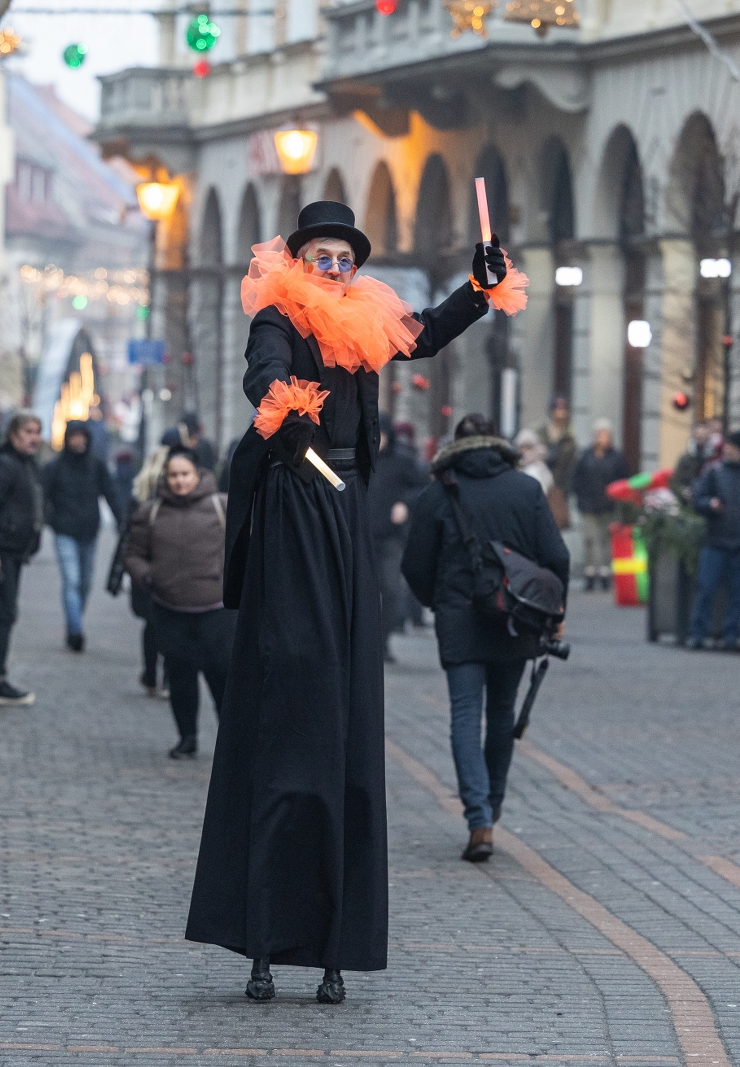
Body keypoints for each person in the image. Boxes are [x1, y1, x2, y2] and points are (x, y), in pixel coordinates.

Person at [187, 200, 520, 1004]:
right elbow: (263, 371)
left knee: (346, 686)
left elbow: (423, 334)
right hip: (297, 495)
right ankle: (270, 928)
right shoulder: (280, 315)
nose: (336, 271)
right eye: (323, 259)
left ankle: (331, 931)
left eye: (345, 259)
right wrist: (287, 408)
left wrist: (478, 290)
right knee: (298, 670)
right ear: (300, 262)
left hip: (346, 503)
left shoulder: (365, 316)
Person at [402, 415, 570, 862]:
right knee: (501, 713)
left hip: (459, 617)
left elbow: (414, 565)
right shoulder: (525, 489)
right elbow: (556, 556)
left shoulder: (438, 492)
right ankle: (492, 806)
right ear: (498, 444)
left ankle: (477, 819)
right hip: (515, 616)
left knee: (464, 713)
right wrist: (556, 613)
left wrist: (439, 601)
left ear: (455, 446)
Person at [123, 448, 235, 758]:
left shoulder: (223, 506)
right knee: (181, 679)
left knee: (223, 680)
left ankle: (231, 744)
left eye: (185, 474)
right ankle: (187, 738)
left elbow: (245, 546)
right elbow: (133, 554)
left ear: (198, 475)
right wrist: (148, 576)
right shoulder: (151, 512)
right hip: (170, 610)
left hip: (217, 612)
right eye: (173, 475)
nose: (179, 481)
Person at [0, 413, 44, 705]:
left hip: (14, 551)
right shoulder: (2, 463)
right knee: (4, 614)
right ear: (13, 433)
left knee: (7, 613)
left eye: (37, 432)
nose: (34, 438)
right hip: (1, 550)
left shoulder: (25, 463)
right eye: (28, 431)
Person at [41, 419, 124, 652]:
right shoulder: (55, 467)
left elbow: (111, 494)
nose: (78, 441)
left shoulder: (96, 466)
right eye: (74, 437)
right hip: (64, 532)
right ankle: (76, 631)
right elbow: (43, 496)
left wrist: (122, 521)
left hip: (90, 532)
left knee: (85, 583)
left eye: (82, 437)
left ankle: (74, 621)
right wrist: (50, 520)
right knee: (72, 580)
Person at [687, 429, 740, 650]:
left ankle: (730, 635)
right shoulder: (714, 471)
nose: (727, 450)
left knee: (737, 594)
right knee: (706, 589)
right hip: (716, 541)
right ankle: (699, 634)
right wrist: (710, 505)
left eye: (731, 447)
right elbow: (698, 499)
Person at [368, 423, 429, 661]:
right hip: (362, 535)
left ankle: (382, 641)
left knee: (391, 590)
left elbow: (422, 488)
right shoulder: (361, 458)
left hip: (391, 537)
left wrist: (405, 504)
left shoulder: (402, 462)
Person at [124, 446, 172, 699]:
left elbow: (128, 536)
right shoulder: (175, 495)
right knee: (169, 624)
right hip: (168, 567)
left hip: (145, 570)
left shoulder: (139, 494)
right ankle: (167, 679)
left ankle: (151, 675)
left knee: (151, 625)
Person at [571, 419, 630, 592]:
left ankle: (605, 574)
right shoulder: (585, 455)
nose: (601, 438)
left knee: (606, 540)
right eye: (599, 434)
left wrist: (617, 500)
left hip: (608, 506)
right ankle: (589, 573)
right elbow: (577, 478)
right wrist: (580, 498)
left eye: (605, 434)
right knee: (589, 540)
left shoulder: (616, 457)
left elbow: (623, 480)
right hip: (588, 505)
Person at [538, 396, 577, 526]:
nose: (560, 414)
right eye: (557, 410)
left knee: (557, 521)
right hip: (541, 482)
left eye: (563, 410)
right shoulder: (541, 431)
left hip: (560, 485)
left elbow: (570, 462)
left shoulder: (569, 436)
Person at [670, 417, 724, 505]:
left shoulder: (714, 458)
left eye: (703, 437)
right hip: (689, 503)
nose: (700, 440)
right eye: (698, 437)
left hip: (708, 503)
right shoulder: (685, 459)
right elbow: (675, 482)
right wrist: (684, 491)